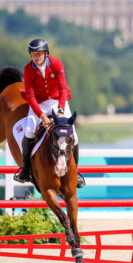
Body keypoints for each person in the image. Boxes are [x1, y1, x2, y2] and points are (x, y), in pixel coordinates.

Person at [14, 38, 86, 188]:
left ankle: (76, 172)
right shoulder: (28, 70)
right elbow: (30, 95)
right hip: (39, 103)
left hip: (57, 100)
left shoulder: (56, 64)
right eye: (34, 54)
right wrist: (41, 115)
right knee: (28, 131)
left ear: (46, 53)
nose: (37, 57)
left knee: (75, 136)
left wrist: (60, 110)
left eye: (40, 54)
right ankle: (25, 169)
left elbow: (62, 88)